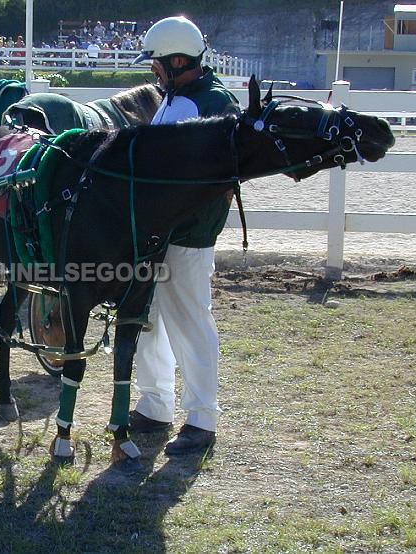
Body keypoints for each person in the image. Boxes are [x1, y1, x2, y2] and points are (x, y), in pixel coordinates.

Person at [129, 15, 240, 456]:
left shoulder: (213, 103)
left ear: (177, 60)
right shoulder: (177, 97)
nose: (151, 71)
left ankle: (201, 419)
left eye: (156, 63)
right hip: (158, 230)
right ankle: (155, 405)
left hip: (189, 233)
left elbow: (218, 176)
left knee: (190, 322)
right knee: (148, 319)